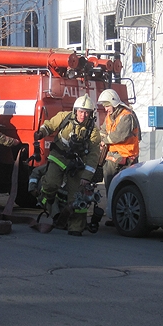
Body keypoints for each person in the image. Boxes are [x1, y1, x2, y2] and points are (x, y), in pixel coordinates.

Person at [34, 94, 101, 236]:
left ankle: (76, 227)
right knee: (50, 183)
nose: (83, 115)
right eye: (81, 111)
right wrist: (41, 133)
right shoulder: (64, 117)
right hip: (58, 157)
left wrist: (86, 177)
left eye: (86, 112)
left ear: (91, 113)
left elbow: (93, 156)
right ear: (75, 110)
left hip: (77, 164)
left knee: (77, 196)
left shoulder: (93, 131)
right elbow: (49, 125)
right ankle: (47, 201)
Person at [97, 88, 141, 227]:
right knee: (112, 189)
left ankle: (120, 217)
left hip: (126, 159)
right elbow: (103, 130)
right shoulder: (111, 116)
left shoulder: (126, 116)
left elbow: (119, 135)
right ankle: (115, 216)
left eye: (107, 105)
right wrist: (103, 138)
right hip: (113, 159)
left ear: (114, 103)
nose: (106, 109)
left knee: (123, 190)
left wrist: (105, 140)